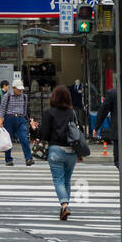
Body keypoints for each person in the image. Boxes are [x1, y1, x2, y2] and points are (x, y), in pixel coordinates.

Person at [39, 85, 84, 221]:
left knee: (58, 180)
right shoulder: (72, 112)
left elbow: (44, 134)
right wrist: (79, 152)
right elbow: (78, 132)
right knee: (67, 180)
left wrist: (35, 129)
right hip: (71, 152)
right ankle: (65, 207)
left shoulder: (49, 113)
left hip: (56, 150)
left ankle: (64, 205)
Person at [0, 80, 36, 166]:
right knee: (8, 140)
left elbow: (25, 110)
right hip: (9, 118)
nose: (20, 91)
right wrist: (0, 120)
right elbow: (2, 109)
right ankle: (8, 160)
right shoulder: (7, 96)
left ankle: (28, 158)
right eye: (18, 89)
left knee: (24, 138)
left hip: (21, 118)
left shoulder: (24, 97)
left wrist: (29, 120)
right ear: (13, 88)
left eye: (21, 89)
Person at [92, 87, 118, 166]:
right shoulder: (114, 93)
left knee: (119, 161)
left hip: (119, 134)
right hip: (118, 133)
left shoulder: (113, 93)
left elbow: (102, 111)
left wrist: (96, 128)